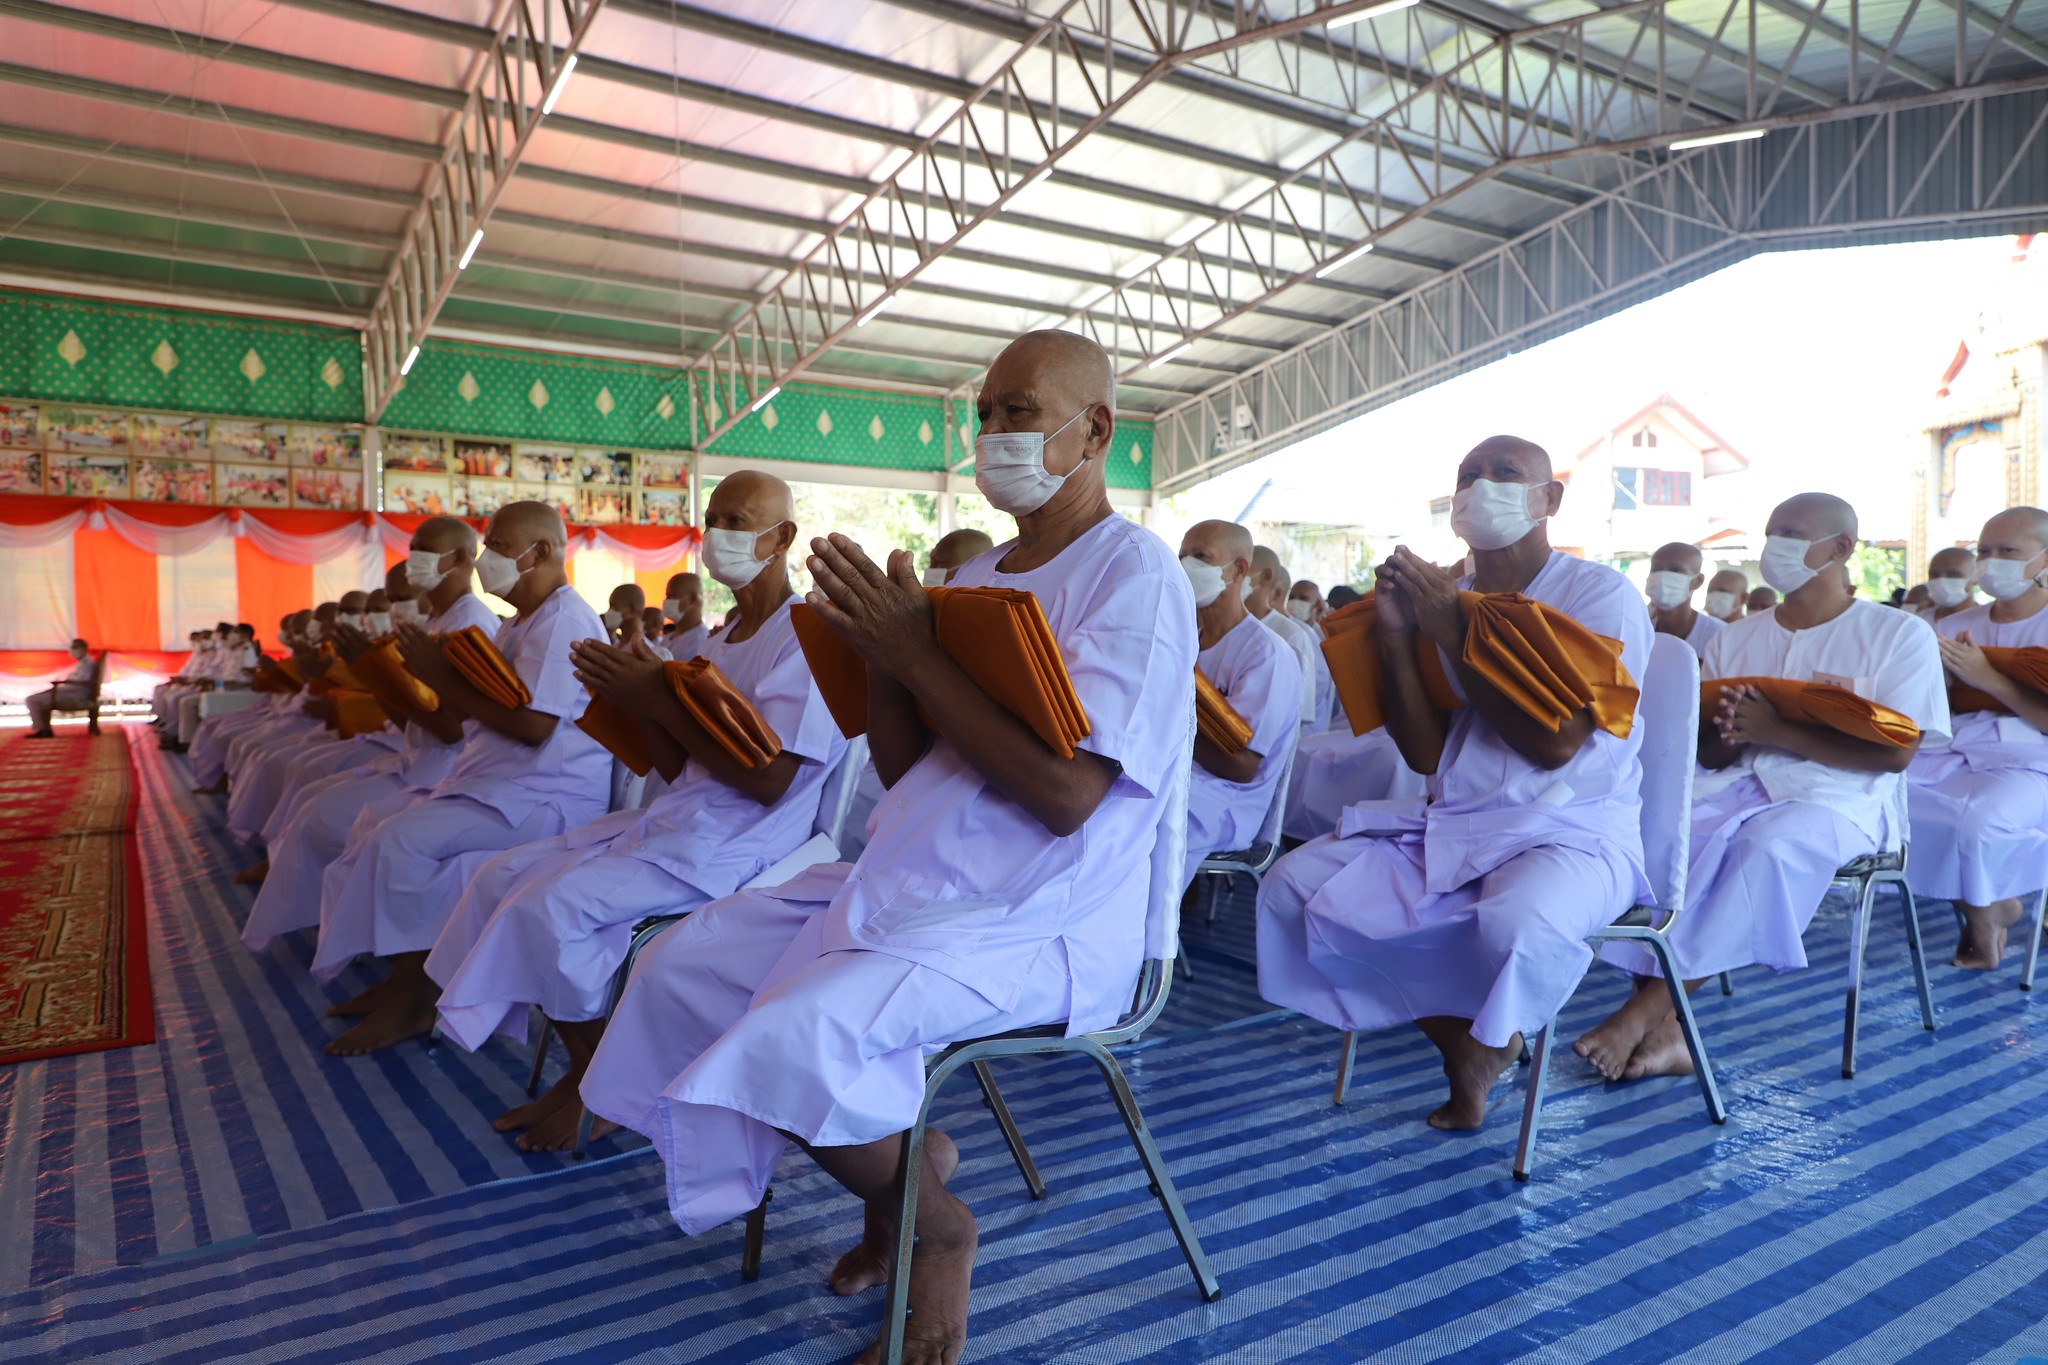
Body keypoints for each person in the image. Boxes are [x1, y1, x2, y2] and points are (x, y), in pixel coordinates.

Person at [579, 330, 1196, 1364]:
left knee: (795, 1032)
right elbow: (911, 770)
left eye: (1019, 411)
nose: (993, 433)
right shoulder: (985, 571)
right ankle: (905, 1168)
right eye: (985, 412)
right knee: (678, 968)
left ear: (1095, 431)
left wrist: (915, 650)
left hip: (1037, 909)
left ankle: (936, 1229)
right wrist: (880, 656)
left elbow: (1066, 798)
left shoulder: (1132, 573)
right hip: (912, 871)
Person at [428, 472, 846, 1151]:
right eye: (713, 519)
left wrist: (657, 699)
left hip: (739, 844)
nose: (718, 535)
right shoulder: (722, 637)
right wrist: (630, 697)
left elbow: (771, 782)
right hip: (678, 822)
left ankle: (597, 1081)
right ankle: (588, 1069)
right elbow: (677, 766)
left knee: (549, 908)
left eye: (737, 521)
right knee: (501, 877)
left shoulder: (804, 636)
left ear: (783, 537)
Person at [1258, 436, 1652, 1130]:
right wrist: (1394, 636)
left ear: (1550, 499)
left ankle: (1491, 1038)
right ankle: (1467, 1043)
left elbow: (1556, 745)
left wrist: (1450, 630)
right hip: (1454, 820)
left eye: (1505, 473)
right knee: (1293, 889)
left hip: (1572, 830)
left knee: (1516, 925)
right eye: (1468, 475)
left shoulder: (1598, 594)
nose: (1481, 486)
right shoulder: (1445, 591)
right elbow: (1424, 754)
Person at [1578, 493, 1947, 1080]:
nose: (1776, 547)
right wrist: (1732, 730)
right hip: (1736, 785)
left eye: (1792, 534)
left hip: (1842, 800)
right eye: (1773, 532)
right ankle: (1670, 1034)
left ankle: (1642, 1013)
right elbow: (1714, 752)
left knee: (1767, 847)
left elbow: (1896, 754)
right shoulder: (1735, 638)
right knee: (1662, 837)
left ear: (1840, 548)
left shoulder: (1897, 634)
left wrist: (1779, 730)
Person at [310, 502, 611, 1055]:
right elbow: (474, 713)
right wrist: (401, 673)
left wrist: (440, 677)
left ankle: (412, 999)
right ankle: (405, 980)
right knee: (383, 825)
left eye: (499, 546)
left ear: (542, 552)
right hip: (504, 785)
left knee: (399, 841)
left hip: (547, 797)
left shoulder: (563, 619)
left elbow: (535, 728)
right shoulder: (520, 621)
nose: (486, 558)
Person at [241, 519, 497, 950]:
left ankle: (360, 941)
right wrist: (372, 672)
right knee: (313, 798)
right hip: (417, 758)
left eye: (424, 548)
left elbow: (456, 729)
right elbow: (412, 718)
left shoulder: (472, 621)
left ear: (458, 558)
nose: (413, 557)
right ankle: (324, 917)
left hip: (447, 768)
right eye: (412, 548)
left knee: (331, 818)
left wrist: (374, 674)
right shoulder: (436, 622)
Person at [1906, 508, 2048, 969]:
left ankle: (1986, 910)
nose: (1991, 562)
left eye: (2008, 551)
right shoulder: (1950, 628)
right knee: (1892, 803)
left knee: (1979, 823)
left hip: (2033, 757)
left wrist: (1988, 678)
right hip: (1955, 749)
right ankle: (1988, 908)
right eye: (1984, 551)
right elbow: (1933, 713)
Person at [838, 529, 997, 862]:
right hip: (896, 777)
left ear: (972, 568)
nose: (930, 571)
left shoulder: (984, 633)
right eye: (931, 562)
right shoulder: (913, 622)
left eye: (940, 563)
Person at [1180, 521, 1302, 888]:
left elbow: (1242, 766)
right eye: (1182, 556)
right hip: (1184, 778)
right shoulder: (1186, 638)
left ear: (1237, 570)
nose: (1185, 566)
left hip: (1225, 803)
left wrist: (1170, 733)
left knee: (1126, 815)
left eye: (1200, 557)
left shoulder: (1267, 653)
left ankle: (1149, 924)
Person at [1249, 546, 1331, 734]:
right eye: (1293, 597)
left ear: (1277, 593)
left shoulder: (1297, 635)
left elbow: (1308, 697)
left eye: (1303, 598)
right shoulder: (1238, 629)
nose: (1296, 602)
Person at [1645, 541, 1723, 654]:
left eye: (1675, 570)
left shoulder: (1718, 636)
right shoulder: (1639, 629)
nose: (1662, 576)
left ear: (1697, 581)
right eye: (1656, 569)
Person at [24, 639, 97, 738]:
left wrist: (60, 686)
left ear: (83, 649)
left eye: (75, 648)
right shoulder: (82, 663)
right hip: (70, 692)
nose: (72, 650)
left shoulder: (88, 664)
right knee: (37, 697)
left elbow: (79, 683)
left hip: (76, 695)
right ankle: (44, 729)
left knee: (32, 699)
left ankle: (43, 730)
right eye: (72, 648)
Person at [1918, 546, 1977, 623]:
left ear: (1975, 578)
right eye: (1934, 574)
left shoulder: (1987, 621)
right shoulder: (1918, 621)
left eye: (1953, 574)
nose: (1941, 580)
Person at [661, 571, 709, 661]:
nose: (667, 601)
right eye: (667, 596)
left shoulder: (700, 642)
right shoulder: (667, 638)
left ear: (693, 599)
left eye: (673, 596)